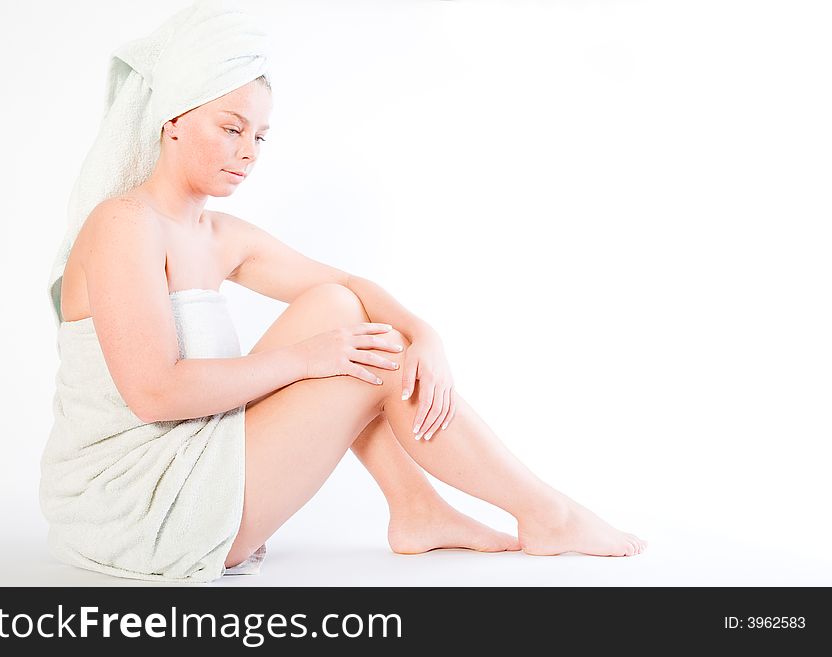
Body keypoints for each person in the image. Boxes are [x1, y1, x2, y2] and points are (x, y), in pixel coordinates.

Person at [42, 1, 646, 584]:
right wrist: (307, 360)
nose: (247, 152)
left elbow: (350, 286)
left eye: (259, 136)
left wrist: (427, 335)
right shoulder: (124, 224)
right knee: (367, 356)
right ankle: (546, 514)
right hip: (133, 502)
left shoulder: (218, 235)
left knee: (339, 309)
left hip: (195, 458)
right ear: (173, 119)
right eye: (231, 129)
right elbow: (153, 393)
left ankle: (417, 509)